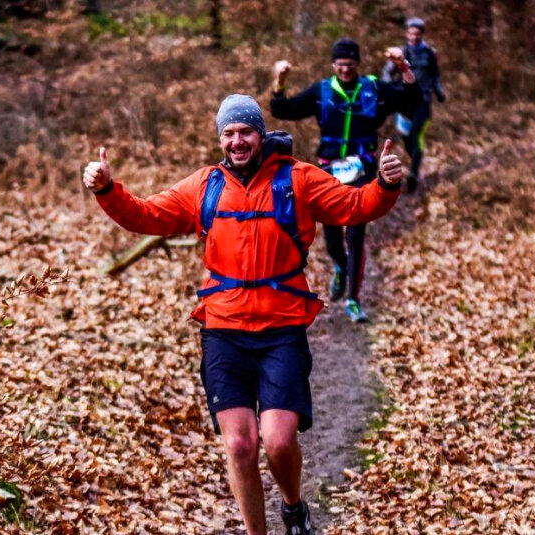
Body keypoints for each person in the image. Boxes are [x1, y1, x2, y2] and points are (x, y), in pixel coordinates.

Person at [82, 94, 406, 535]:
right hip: (224, 330)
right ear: (220, 139)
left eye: (245, 132)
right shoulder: (205, 185)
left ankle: (293, 506)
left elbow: (354, 207)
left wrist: (385, 185)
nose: (237, 141)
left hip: (282, 328)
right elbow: (147, 215)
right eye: (228, 134)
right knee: (239, 444)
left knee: (276, 441)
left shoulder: (299, 178)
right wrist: (106, 188)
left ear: (260, 134)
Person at [269, 37, 420, 323]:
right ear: (332, 65)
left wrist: (403, 66)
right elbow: (282, 110)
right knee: (332, 238)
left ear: (358, 64)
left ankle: (353, 300)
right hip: (328, 172)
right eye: (340, 66)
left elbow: (412, 98)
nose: (345, 71)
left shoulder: (374, 89)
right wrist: (279, 81)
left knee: (356, 233)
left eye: (350, 65)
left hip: (362, 170)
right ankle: (340, 266)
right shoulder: (321, 91)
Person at [382, 17, 445, 193]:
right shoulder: (400, 53)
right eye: (411, 33)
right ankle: (415, 161)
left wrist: (439, 91)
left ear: (422, 34)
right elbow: (387, 72)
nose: (414, 36)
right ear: (407, 34)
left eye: (417, 33)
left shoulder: (430, 53)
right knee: (407, 138)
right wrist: (388, 88)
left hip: (423, 101)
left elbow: (435, 75)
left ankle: (414, 175)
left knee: (417, 135)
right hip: (404, 102)